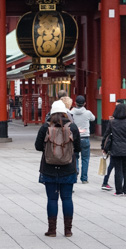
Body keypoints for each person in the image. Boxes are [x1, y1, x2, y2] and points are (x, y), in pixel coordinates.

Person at [35, 100, 81, 238]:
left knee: (52, 199)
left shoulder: (45, 127)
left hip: (49, 168)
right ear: (65, 112)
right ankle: (68, 230)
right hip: (68, 167)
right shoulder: (72, 127)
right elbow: (78, 148)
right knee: (67, 198)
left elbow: (38, 146)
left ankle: (52, 230)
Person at [101, 102, 126, 196]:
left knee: (118, 170)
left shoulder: (112, 122)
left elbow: (106, 135)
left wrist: (103, 147)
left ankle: (119, 191)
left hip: (115, 149)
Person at [72, 95, 95, 184]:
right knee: (85, 158)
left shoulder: (71, 112)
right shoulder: (88, 113)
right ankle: (84, 178)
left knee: (75, 157)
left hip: (74, 138)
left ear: (75, 103)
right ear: (84, 103)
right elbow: (93, 119)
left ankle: (76, 171)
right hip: (85, 137)